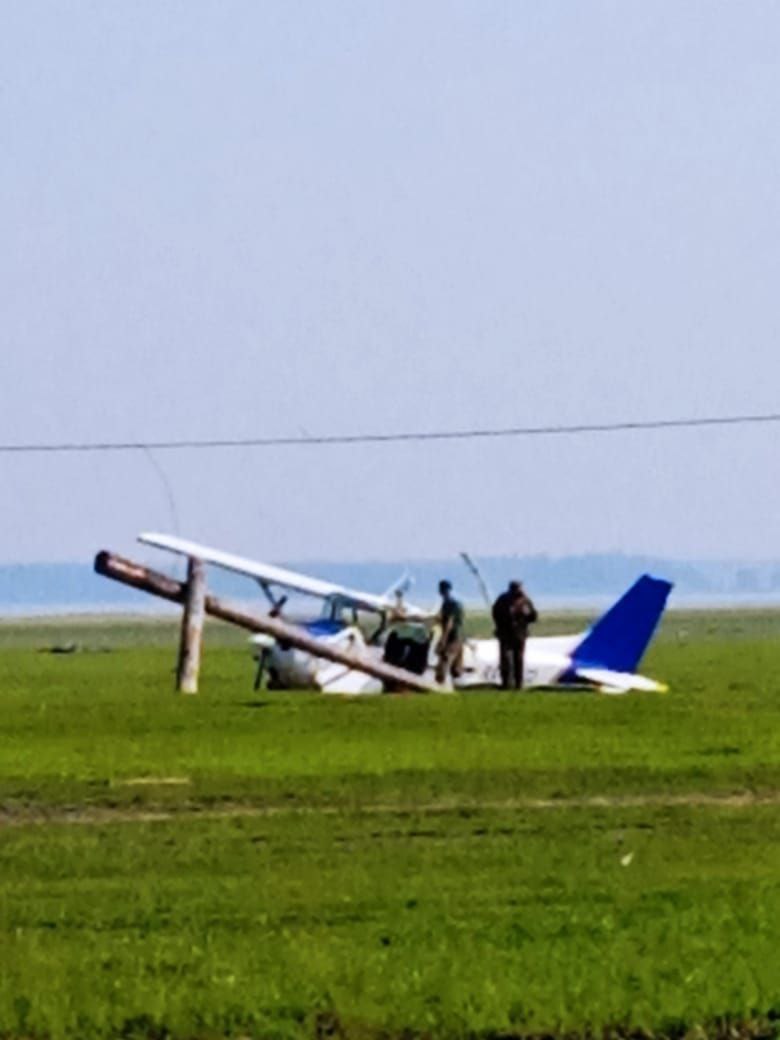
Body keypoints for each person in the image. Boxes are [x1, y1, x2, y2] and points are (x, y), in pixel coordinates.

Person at [491, 580, 538, 690]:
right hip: (505, 633)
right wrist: (501, 625)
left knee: (519, 659)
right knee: (505, 659)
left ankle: (518, 684)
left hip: (520, 634)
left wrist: (528, 615)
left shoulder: (525, 600)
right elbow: (495, 614)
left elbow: (534, 617)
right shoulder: (503, 599)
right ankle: (506, 683)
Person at [435, 579, 464, 684]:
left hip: (453, 636)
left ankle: (440, 682)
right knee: (456, 665)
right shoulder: (449, 603)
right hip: (457, 635)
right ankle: (457, 683)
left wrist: (443, 639)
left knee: (445, 658)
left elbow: (449, 623)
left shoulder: (451, 604)